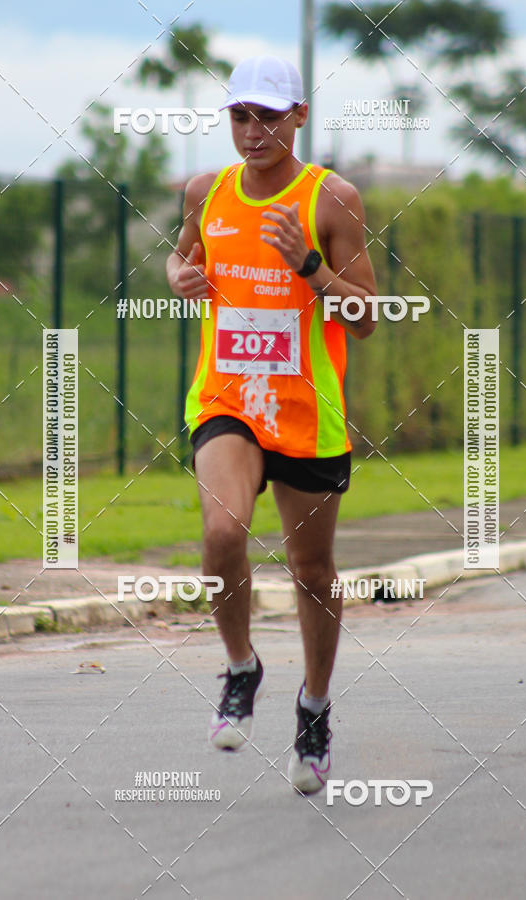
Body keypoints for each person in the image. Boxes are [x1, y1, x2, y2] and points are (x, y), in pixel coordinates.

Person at [166, 55, 377, 794]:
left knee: (312, 572)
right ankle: (241, 666)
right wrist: (177, 274)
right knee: (223, 532)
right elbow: (183, 255)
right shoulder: (206, 190)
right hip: (226, 400)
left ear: (298, 117)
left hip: (306, 415)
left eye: (267, 116)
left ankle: (314, 707)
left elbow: (368, 315)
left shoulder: (332, 199)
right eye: (238, 116)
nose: (251, 131)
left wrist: (311, 267)